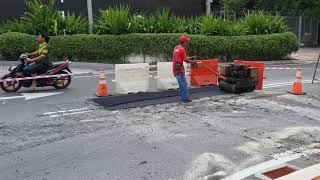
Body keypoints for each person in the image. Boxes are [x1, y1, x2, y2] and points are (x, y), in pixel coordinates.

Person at [172, 36, 197, 103]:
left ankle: (183, 98)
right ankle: (185, 99)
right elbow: (185, 59)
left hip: (175, 68)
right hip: (179, 69)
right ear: (184, 42)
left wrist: (191, 57)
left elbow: (182, 57)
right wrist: (193, 62)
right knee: (184, 84)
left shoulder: (176, 48)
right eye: (186, 42)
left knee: (181, 84)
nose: (187, 43)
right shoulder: (182, 49)